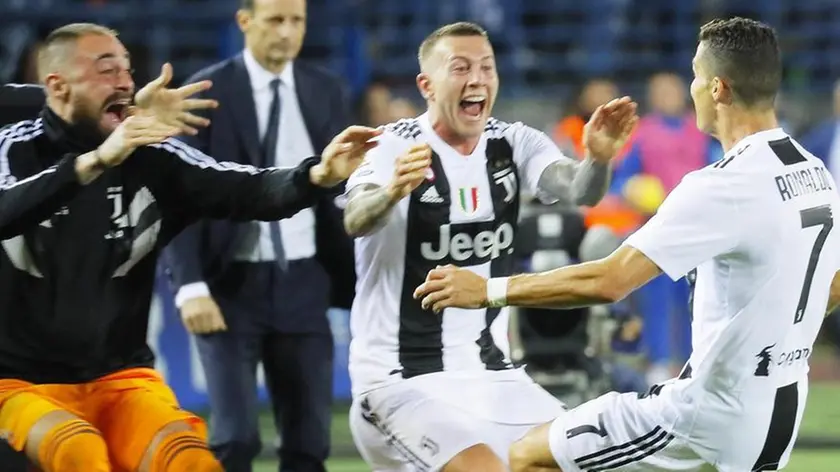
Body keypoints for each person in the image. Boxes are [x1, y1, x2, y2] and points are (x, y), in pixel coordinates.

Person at [415, 17, 840, 472]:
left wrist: (487, 290)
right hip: (781, 403)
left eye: (696, 76)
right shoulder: (813, 170)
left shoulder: (725, 184)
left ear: (717, 88)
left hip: (710, 412)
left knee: (526, 456)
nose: (691, 88)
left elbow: (610, 280)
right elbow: (831, 286)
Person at [0, 22, 378, 472]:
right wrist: (96, 160)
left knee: (190, 462)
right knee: (75, 450)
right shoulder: (14, 150)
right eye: (106, 69)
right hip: (16, 382)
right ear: (57, 86)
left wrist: (317, 174)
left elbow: (243, 188)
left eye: (127, 70)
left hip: (119, 379)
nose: (125, 80)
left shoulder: (154, 155)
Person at [341, 21, 637, 472]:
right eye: (460, 68)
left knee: (579, 461)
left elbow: (582, 190)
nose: (477, 78)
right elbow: (355, 218)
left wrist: (598, 158)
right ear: (426, 84)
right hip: (399, 381)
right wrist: (392, 191)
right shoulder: (390, 147)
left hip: (494, 376)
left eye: (486, 67)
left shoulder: (514, 142)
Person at [162, 0, 355, 470]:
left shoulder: (325, 89)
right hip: (229, 286)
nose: (287, 32)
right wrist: (189, 285)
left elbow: (344, 189)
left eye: (297, 21)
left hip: (306, 283)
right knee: (235, 438)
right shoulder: (206, 90)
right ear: (245, 22)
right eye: (275, 20)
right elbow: (176, 191)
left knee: (310, 442)